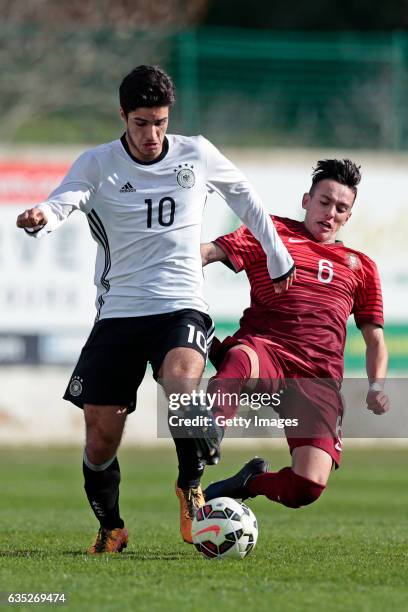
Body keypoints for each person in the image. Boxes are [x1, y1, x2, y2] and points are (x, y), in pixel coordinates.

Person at [16, 65, 295, 552]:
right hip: (120, 311)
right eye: (142, 122)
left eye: (161, 122)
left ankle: (191, 487)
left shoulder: (197, 153)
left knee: (182, 384)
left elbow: (245, 195)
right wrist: (44, 216)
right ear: (123, 116)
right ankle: (112, 526)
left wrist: (277, 253)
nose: (152, 134)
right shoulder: (98, 163)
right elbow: (67, 200)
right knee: (101, 435)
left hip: (181, 302)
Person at [201, 159, 390, 508]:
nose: (330, 213)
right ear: (306, 200)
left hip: (318, 380)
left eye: (341, 208)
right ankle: (210, 432)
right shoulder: (270, 232)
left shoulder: (360, 267)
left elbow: (375, 338)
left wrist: (376, 386)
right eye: (324, 202)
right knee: (240, 358)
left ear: (348, 216)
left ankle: (250, 481)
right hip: (269, 353)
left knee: (307, 487)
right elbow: (208, 254)